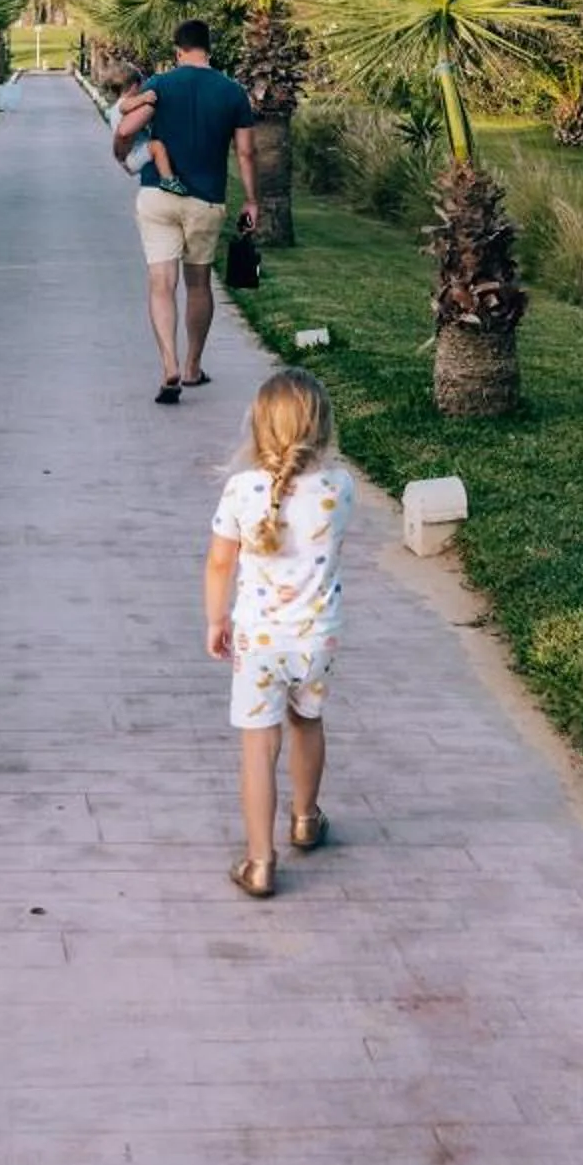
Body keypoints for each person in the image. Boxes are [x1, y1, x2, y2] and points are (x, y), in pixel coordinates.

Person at [203, 368, 351, 898]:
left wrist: (217, 620)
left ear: (260, 428)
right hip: (317, 640)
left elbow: (221, 565)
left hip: (259, 641)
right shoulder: (341, 487)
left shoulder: (242, 491)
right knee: (307, 720)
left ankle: (260, 862)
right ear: (323, 427)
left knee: (258, 747)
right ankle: (306, 819)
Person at [115, 19, 260, 404]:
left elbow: (127, 128)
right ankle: (194, 367)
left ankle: (169, 366)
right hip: (205, 199)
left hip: (156, 196)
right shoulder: (233, 92)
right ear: (208, 48)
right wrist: (251, 200)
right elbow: (246, 152)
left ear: (178, 50)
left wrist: (123, 151)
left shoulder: (159, 85)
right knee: (198, 284)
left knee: (161, 283)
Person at [106, 68, 179, 188]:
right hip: (133, 156)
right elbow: (124, 106)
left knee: (155, 146)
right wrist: (144, 98)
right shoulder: (124, 103)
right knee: (157, 147)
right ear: (135, 86)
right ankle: (168, 180)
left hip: (132, 154)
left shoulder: (115, 108)